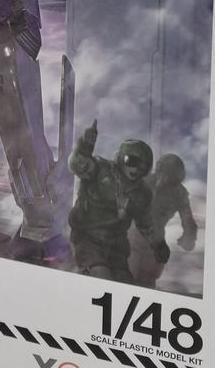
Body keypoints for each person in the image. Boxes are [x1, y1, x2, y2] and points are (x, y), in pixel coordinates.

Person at [67, 120, 169, 281]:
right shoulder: (100, 170)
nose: (136, 169)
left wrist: (158, 244)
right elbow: (77, 163)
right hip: (89, 238)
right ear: (121, 158)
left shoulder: (142, 194)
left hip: (116, 246)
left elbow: (145, 224)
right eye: (131, 161)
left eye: (143, 166)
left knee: (124, 282)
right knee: (101, 277)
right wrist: (84, 146)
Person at [139, 153, 198, 288]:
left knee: (147, 280)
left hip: (155, 240)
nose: (164, 179)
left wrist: (188, 236)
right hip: (133, 235)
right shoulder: (144, 181)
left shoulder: (179, 193)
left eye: (170, 177)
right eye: (163, 173)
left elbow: (188, 219)